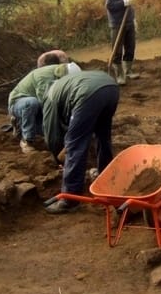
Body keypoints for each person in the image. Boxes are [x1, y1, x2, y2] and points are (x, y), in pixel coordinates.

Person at [42, 70, 120, 214]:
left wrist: (57, 158)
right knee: (103, 137)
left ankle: (70, 199)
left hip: (88, 94)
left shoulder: (49, 97)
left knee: (75, 145)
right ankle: (106, 176)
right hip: (111, 88)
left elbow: (51, 134)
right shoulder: (65, 84)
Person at [8, 62, 80, 154]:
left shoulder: (60, 73)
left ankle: (21, 125)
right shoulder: (45, 77)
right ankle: (27, 141)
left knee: (50, 130)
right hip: (19, 102)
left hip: (37, 108)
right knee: (31, 103)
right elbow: (45, 103)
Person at [105, 0, 138, 86]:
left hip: (129, 22)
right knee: (117, 50)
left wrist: (133, 19)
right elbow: (109, 5)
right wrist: (124, 2)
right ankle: (119, 75)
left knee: (130, 47)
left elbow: (130, 6)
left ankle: (128, 71)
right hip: (118, 23)